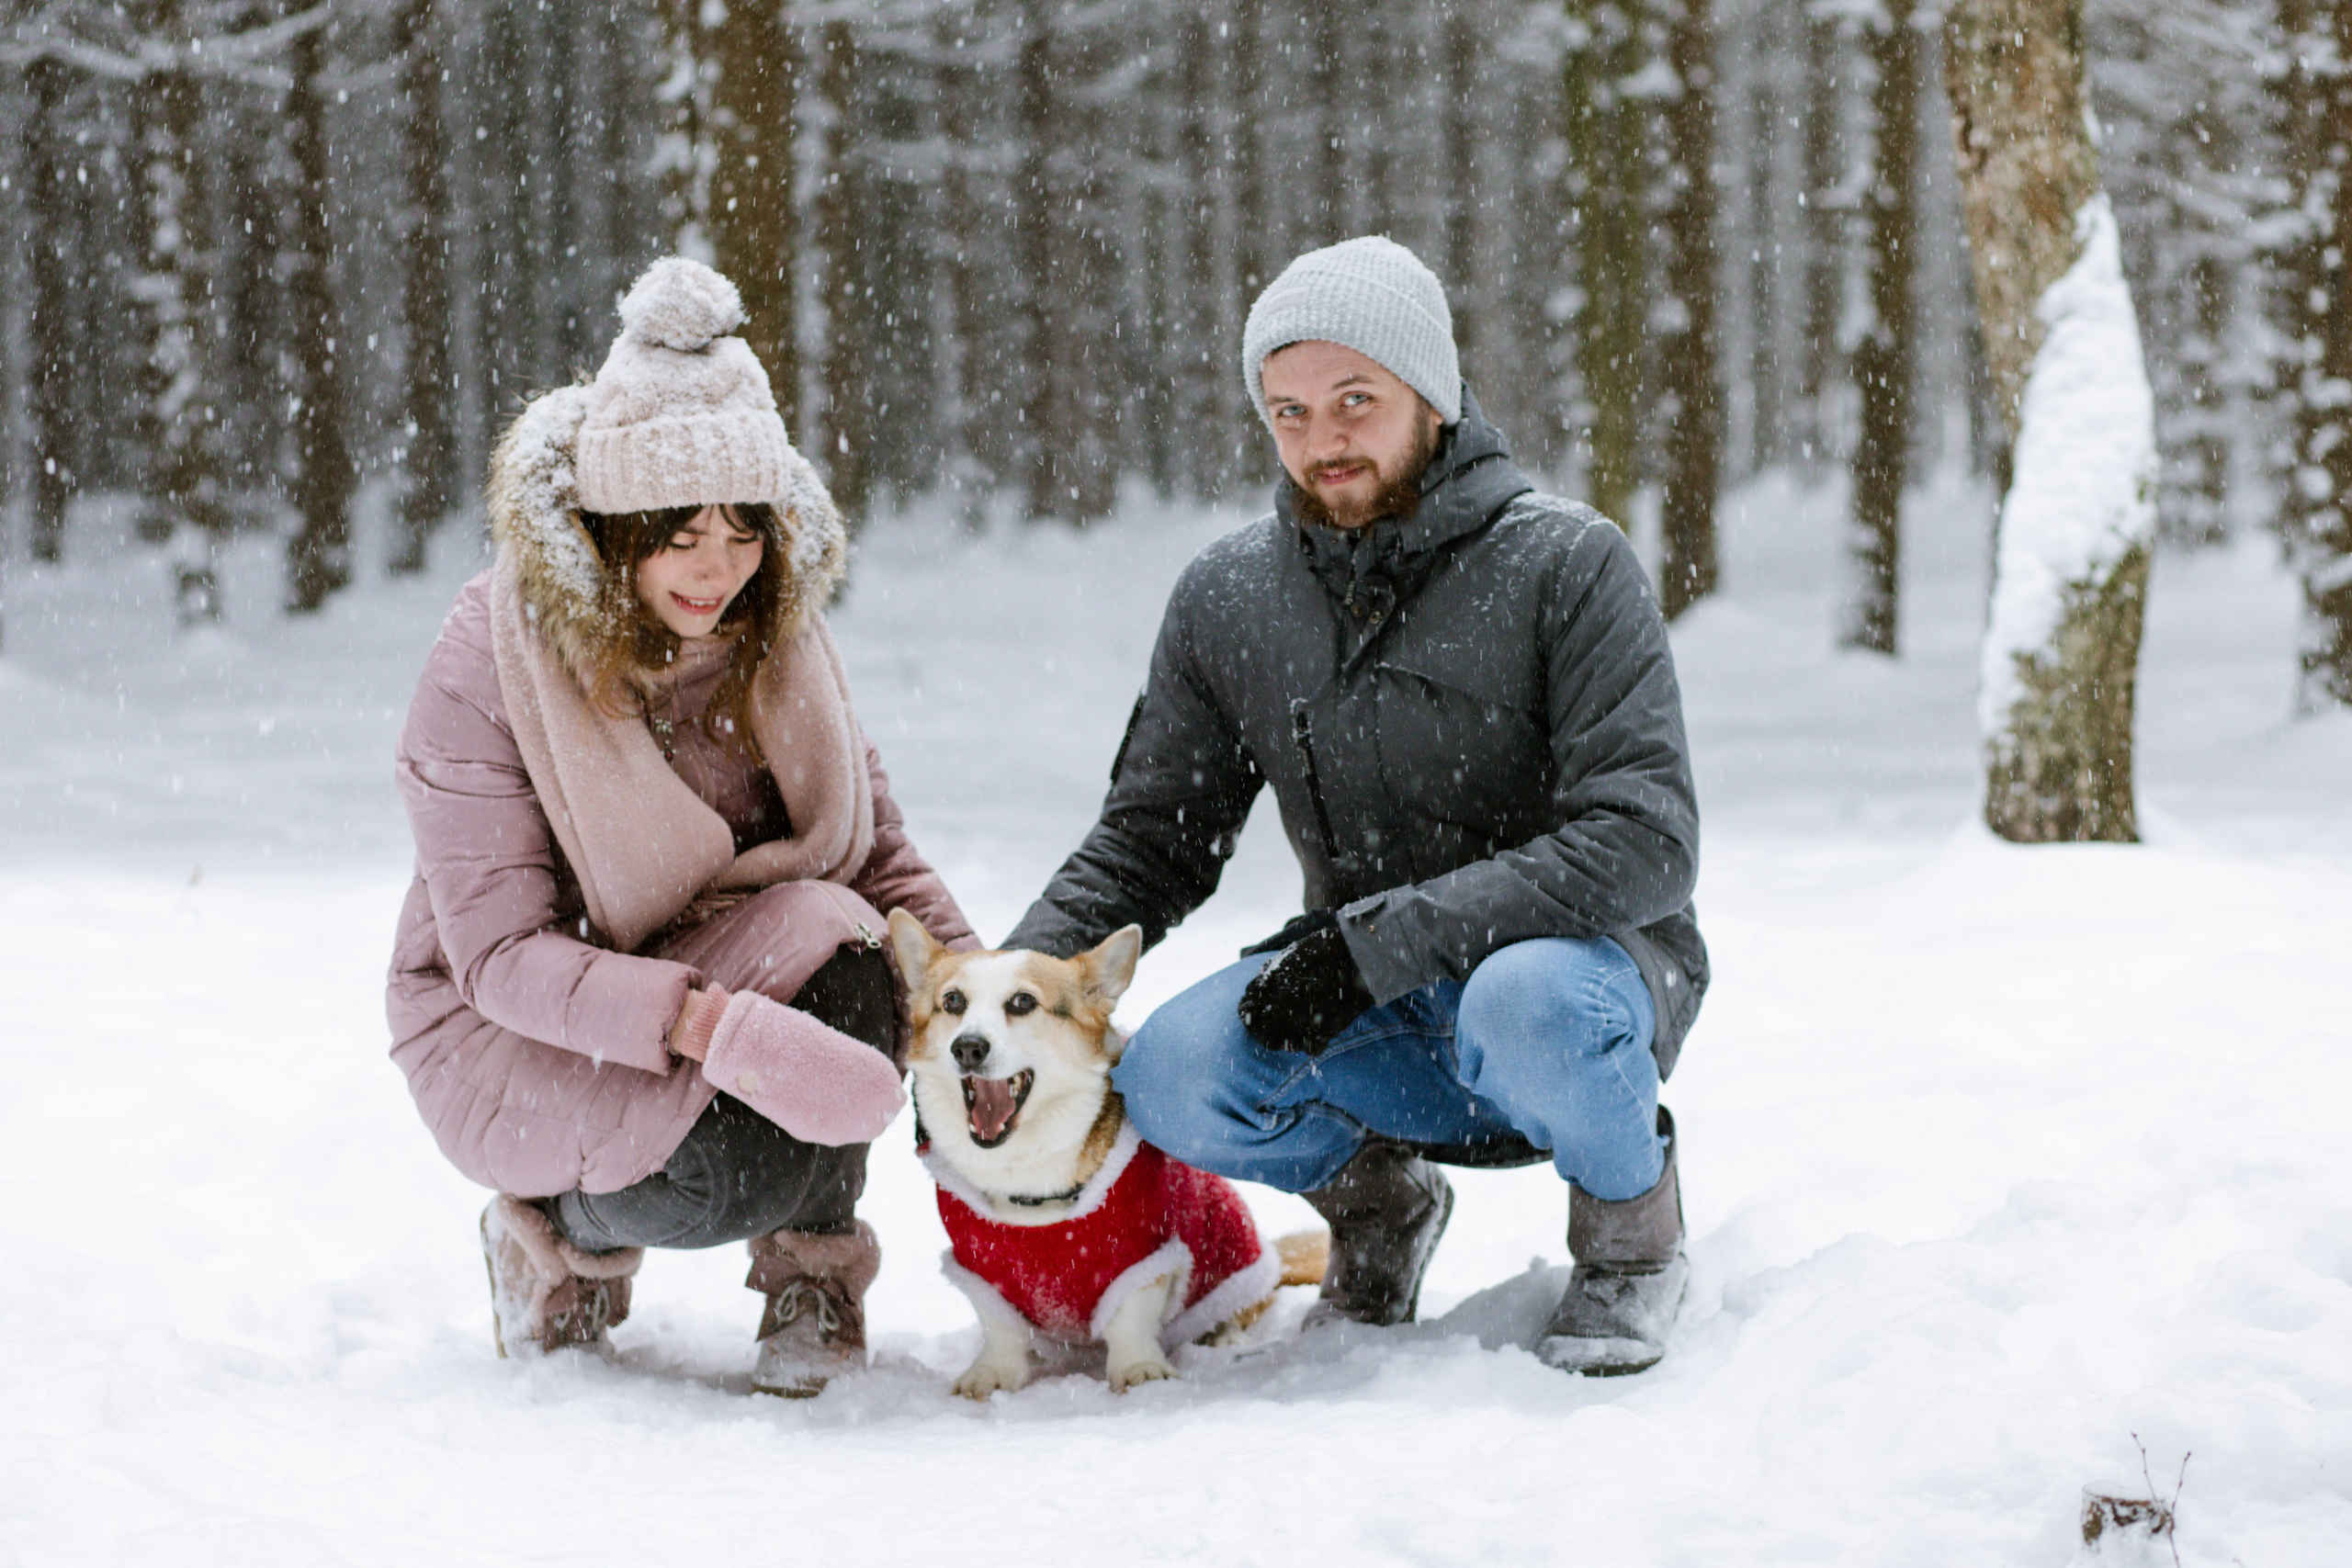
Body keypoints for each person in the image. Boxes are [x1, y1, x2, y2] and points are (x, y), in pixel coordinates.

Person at [1003, 236, 1708, 1375]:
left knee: (1527, 1000)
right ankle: (1382, 1208)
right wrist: (1004, 1000)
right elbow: (1150, 840)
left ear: (1428, 392)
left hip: (1576, 979)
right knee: (1168, 1072)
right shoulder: (1229, 597)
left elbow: (1645, 840)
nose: (1321, 441)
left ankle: (1631, 1243)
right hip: (1360, 988)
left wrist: (1385, 943)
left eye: (1353, 401)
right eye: (1286, 411)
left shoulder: (1568, 563)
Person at [386, 257, 975, 1394]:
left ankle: (813, 1272)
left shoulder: (776, 633)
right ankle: (558, 1237)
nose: (718, 568)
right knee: (719, 1172)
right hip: (508, 1016)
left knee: (858, 950)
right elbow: (498, 955)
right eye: (678, 533)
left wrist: (986, 999)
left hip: (728, 965)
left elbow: (875, 857)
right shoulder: (494, 656)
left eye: (743, 528)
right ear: (613, 530)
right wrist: (713, 1030)